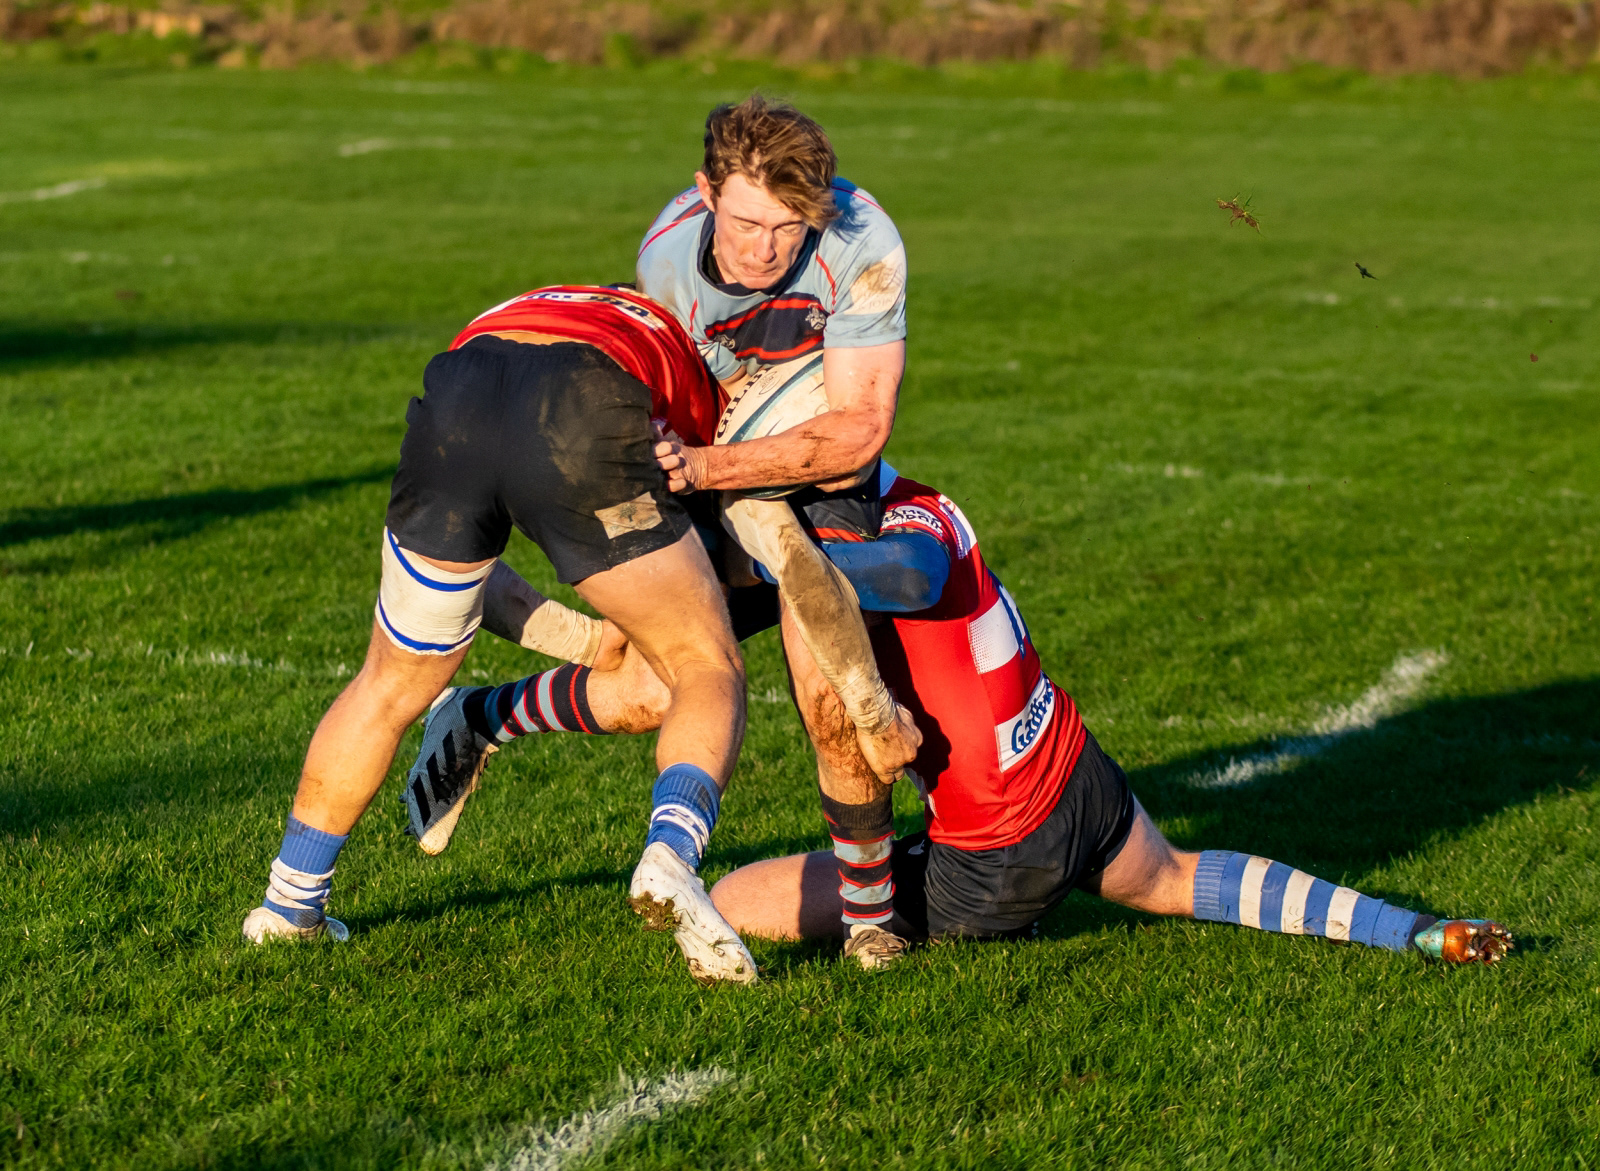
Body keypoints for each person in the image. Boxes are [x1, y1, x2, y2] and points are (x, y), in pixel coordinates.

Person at [706, 467, 1514, 967]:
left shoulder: (882, 547)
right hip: (1075, 778)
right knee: (1175, 878)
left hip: (997, 856)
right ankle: (1411, 929)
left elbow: (909, 579)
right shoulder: (919, 502)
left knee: (735, 898)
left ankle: (981, 922)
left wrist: (782, 562)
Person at [240, 285, 761, 987]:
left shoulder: (559, 306)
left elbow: (470, 573)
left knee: (389, 682)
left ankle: (287, 907)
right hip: (587, 400)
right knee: (700, 666)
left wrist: (586, 641)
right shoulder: (705, 379)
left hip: (458, 392)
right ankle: (672, 858)